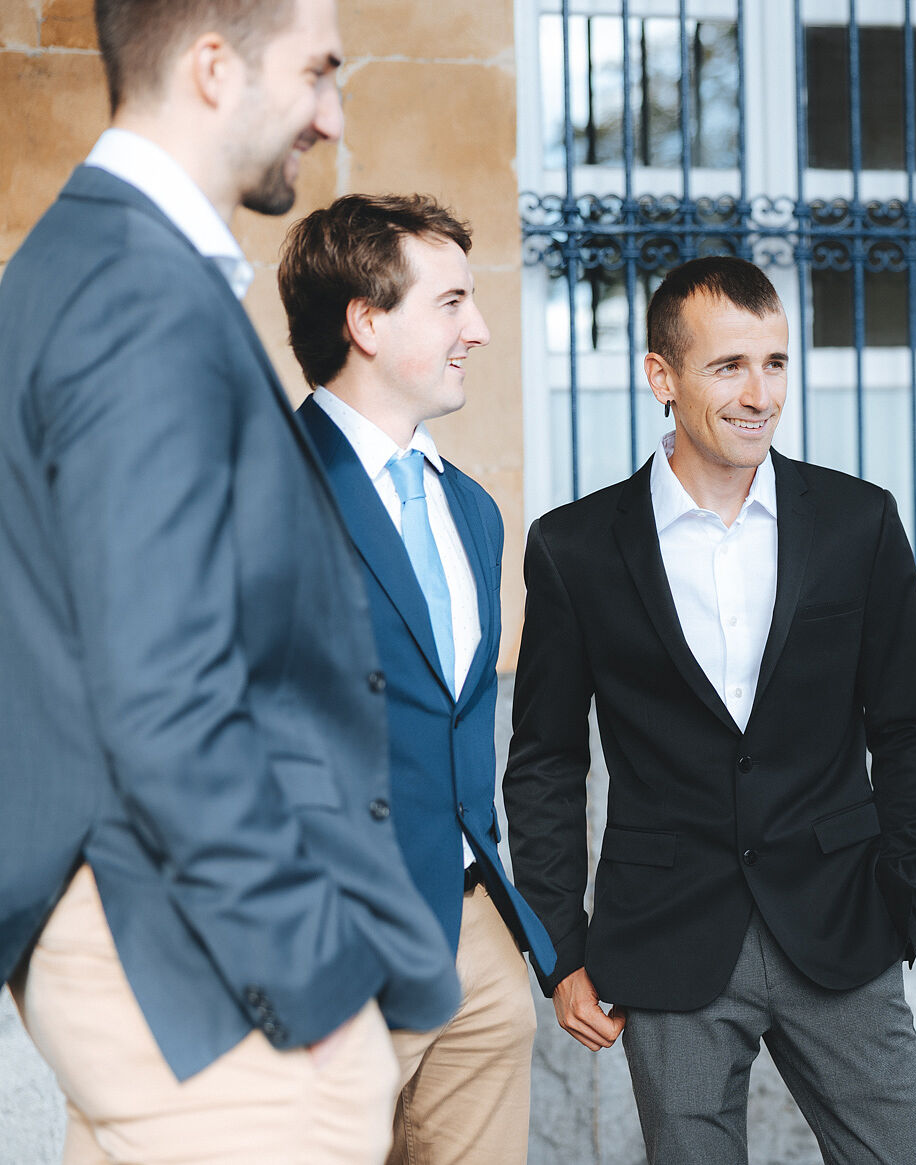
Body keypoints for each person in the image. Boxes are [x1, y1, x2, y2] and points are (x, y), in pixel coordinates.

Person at [0, 0, 460, 1160]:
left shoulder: (77, 262)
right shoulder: (138, 298)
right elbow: (163, 695)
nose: (332, 115)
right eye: (315, 74)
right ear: (213, 67)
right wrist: (311, 981)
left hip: (138, 938)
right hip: (193, 954)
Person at [504, 255, 916, 1164]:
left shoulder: (858, 521)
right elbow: (546, 757)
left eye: (776, 363)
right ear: (661, 377)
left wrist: (900, 896)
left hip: (840, 923)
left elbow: (908, 727)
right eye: (728, 366)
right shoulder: (574, 547)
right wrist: (561, 944)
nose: (760, 394)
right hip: (664, 940)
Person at [279, 193, 559, 1165]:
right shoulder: (259, 488)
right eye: (450, 303)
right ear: (365, 319)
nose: (478, 330)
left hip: (473, 935)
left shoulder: (473, 511)